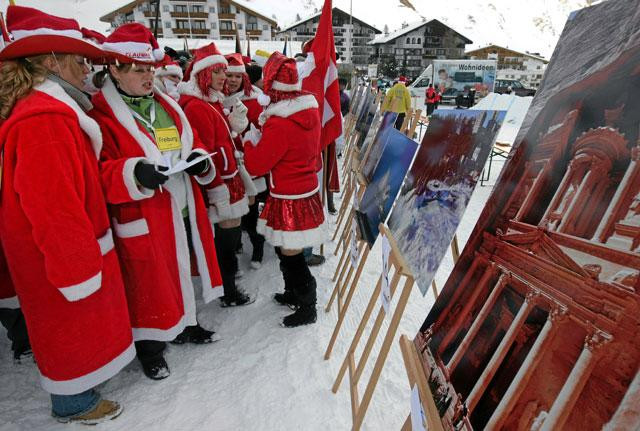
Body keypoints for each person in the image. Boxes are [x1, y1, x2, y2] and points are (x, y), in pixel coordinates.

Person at [0, 6, 135, 424]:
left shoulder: (46, 111)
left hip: (54, 249)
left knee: (69, 327)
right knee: (68, 326)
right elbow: (54, 206)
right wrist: (76, 268)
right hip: (57, 253)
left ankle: (78, 390)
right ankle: (74, 403)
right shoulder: (45, 120)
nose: (86, 68)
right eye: (78, 60)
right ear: (50, 61)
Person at [91, 24, 224, 379]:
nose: (149, 76)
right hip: (144, 213)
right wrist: (134, 173)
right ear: (114, 70)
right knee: (148, 282)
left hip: (180, 204)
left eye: (150, 68)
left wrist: (198, 159)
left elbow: (185, 143)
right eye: (138, 70)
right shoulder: (100, 116)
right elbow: (96, 174)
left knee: (180, 269)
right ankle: (150, 348)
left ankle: (185, 322)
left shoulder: (166, 104)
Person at [243, 52, 328, 327]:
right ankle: (294, 293)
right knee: (285, 250)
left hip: (288, 196)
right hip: (301, 190)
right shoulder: (308, 111)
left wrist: (247, 137)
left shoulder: (280, 123)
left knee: (290, 254)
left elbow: (257, 164)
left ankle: (307, 306)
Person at [178, 43, 253, 306]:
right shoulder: (197, 106)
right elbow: (206, 151)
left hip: (227, 177)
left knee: (230, 233)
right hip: (221, 182)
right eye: (219, 71)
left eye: (225, 71)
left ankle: (227, 282)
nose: (225, 77)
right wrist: (218, 188)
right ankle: (228, 289)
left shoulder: (209, 101)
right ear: (204, 74)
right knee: (227, 234)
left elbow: (218, 140)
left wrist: (233, 128)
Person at [224, 52, 267, 269]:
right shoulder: (215, 98)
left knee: (250, 213)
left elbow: (262, 131)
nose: (232, 80)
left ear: (244, 78)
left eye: (237, 76)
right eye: (229, 75)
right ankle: (238, 243)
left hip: (249, 166)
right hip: (227, 166)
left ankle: (258, 248)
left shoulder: (254, 99)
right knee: (232, 211)